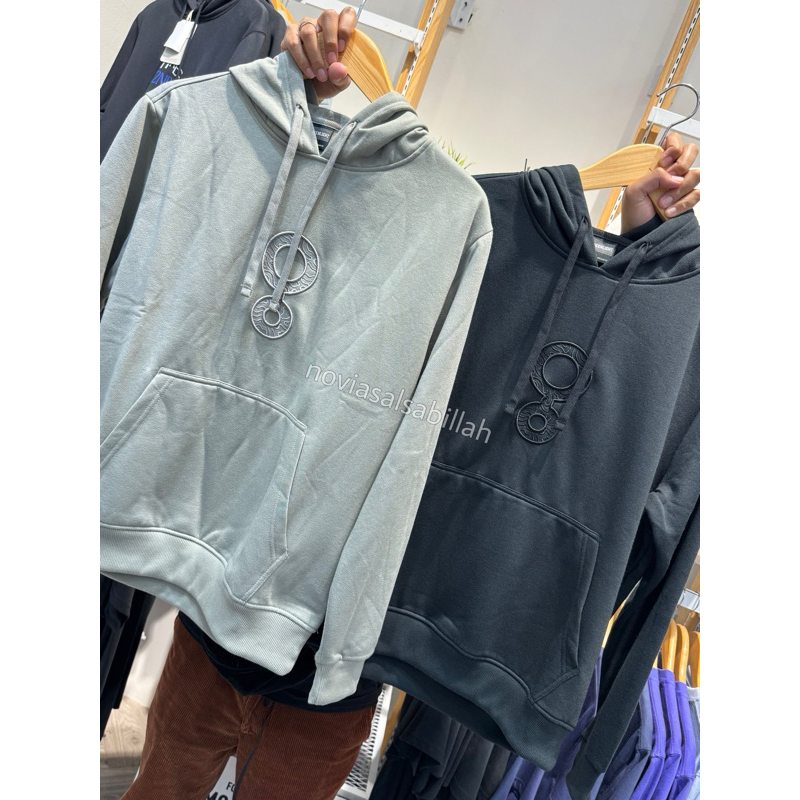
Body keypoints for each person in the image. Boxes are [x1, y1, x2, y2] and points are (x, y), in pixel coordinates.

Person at [119, 9, 701, 799]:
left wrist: (637, 243)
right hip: (221, 609)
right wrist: (302, 104)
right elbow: (289, 287)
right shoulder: (441, 227)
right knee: (161, 785)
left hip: (350, 668)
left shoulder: (472, 233)